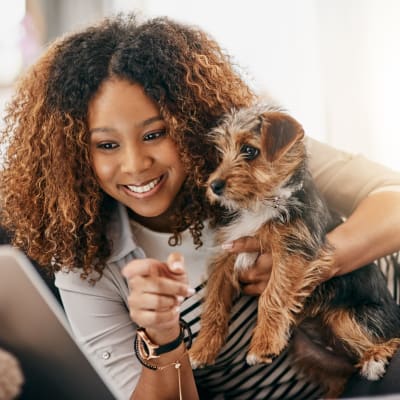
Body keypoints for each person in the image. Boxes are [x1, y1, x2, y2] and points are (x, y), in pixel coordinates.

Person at [1, 13, 400, 400]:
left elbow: (393, 197)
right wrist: (162, 337)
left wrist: (313, 264)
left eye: (155, 134)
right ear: (72, 153)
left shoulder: (251, 152)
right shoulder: (86, 265)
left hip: (385, 332)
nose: (136, 164)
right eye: (106, 145)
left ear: (188, 121)